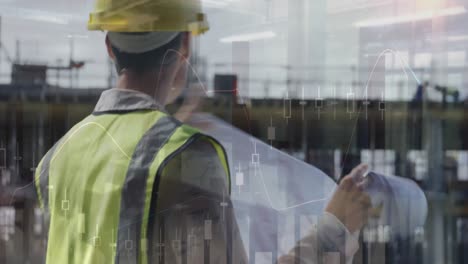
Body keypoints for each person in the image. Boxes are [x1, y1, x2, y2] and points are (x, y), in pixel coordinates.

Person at [34, 0, 371, 263]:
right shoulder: (184, 158)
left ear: (109, 46)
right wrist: (332, 230)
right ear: (185, 45)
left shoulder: (58, 156)